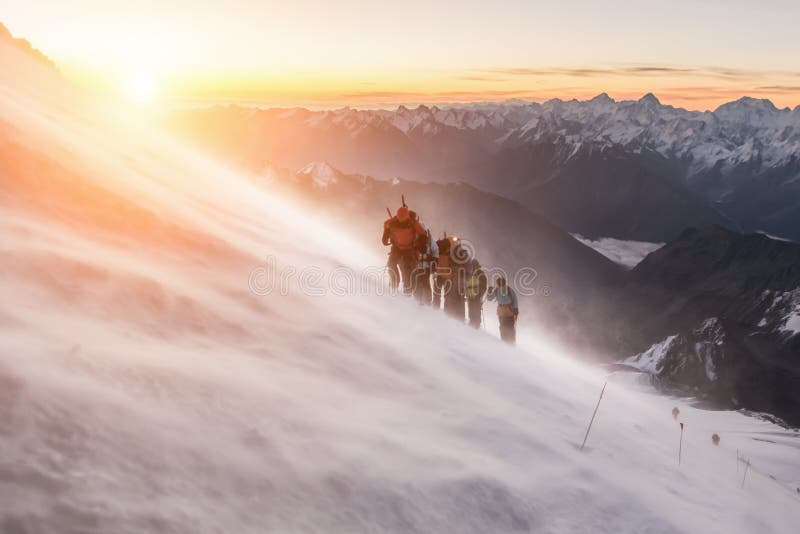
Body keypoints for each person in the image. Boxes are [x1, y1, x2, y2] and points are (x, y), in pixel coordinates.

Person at [382, 205, 427, 295]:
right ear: (397, 216)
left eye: (404, 219)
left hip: (409, 249)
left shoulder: (413, 222)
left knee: (407, 270)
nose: (402, 221)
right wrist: (385, 236)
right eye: (400, 219)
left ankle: (408, 292)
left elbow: (423, 234)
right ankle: (394, 284)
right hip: (396, 248)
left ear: (407, 217)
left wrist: (422, 245)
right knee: (391, 264)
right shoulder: (392, 222)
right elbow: (386, 226)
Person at [435, 235, 468, 319]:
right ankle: (459, 321)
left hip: (445, 277)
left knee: (448, 298)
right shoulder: (460, 253)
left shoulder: (443, 254)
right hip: (455, 278)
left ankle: (447, 318)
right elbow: (466, 266)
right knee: (458, 300)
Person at [409, 211, 438, 305]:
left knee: (418, 282)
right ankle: (426, 301)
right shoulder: (429, 238)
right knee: (424, 282)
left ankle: (418, 300)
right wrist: (434, 261)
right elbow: (435, 249)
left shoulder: (414, 236)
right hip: (425, 265)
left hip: (417, 264)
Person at [487, 276, 519, 343]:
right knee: (509, 327)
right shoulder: (508, 289)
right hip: (509, 312)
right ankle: (510, 341)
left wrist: (489, 291)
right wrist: (516, 309)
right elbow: (515, 299)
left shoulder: (499, 290)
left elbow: (489, 298)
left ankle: (506, 341)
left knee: (504, 327)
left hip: (503, 312)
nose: (499, 284)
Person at [465, 259, 488, 328]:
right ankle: (473, 328)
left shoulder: (480, 274)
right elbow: (467, 285)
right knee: (471, 313)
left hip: (476, 297)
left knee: (476, 314)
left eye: (474, 266)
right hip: (471, 297)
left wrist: (478, 295)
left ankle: (476, 328)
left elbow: (483, 287)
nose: (473, 267)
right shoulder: (470, 274)